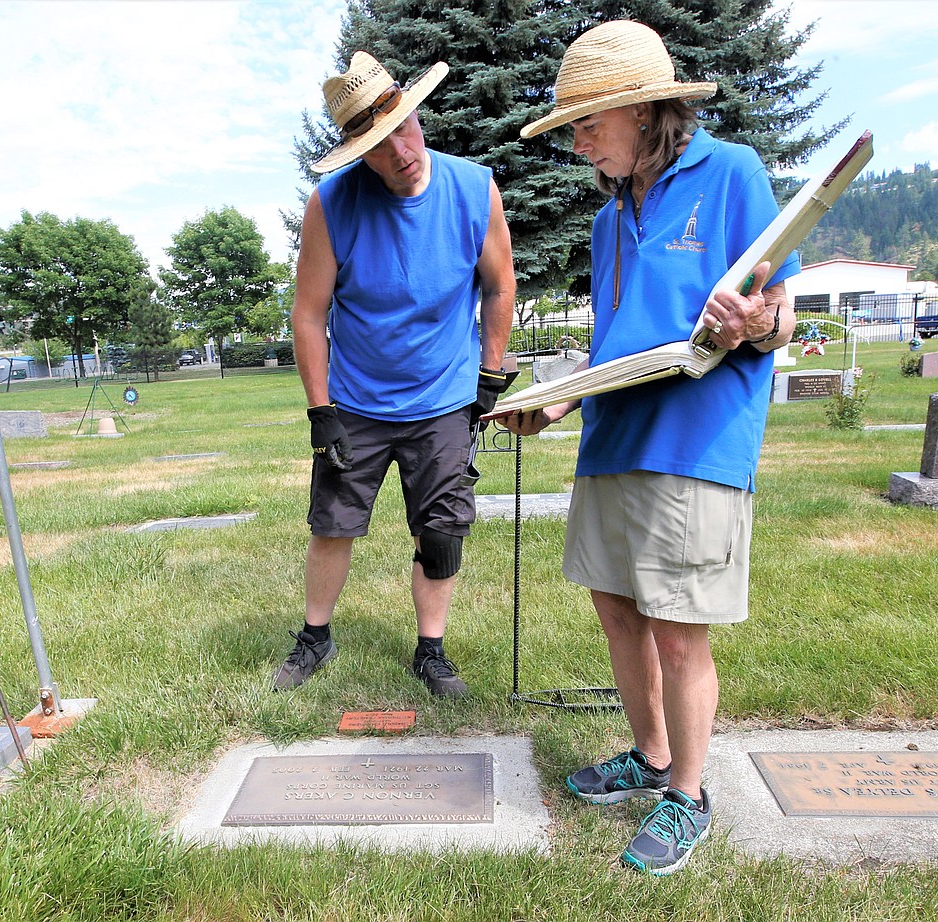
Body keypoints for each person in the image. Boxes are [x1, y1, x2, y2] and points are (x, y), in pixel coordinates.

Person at [497, 21, 799, 874]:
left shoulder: (730, 173)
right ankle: (651, 753)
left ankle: (688, 796)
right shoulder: (606, 220)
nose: (580, 141)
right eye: (573, 128)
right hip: (612, 439)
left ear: (645, 110)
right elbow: (613, 347)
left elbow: (783, 312)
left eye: (591, 123)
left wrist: (756, 323)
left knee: (677, 630)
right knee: (617, 609)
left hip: (695, 443)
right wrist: (552, 407)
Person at [273, 51, 516, 697]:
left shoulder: (474, 188)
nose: (400, 152)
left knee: (441, 531)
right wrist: (321, 410)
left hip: (443, 398)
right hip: (355, 400)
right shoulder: (333, 204)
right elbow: (308, 313)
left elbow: (499, 288)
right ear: (358, 152)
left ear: (415, 114)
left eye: (404, 130)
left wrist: (489, 376)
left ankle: (431, 651)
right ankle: (314, 638)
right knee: (333, 524)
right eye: (379, 147)